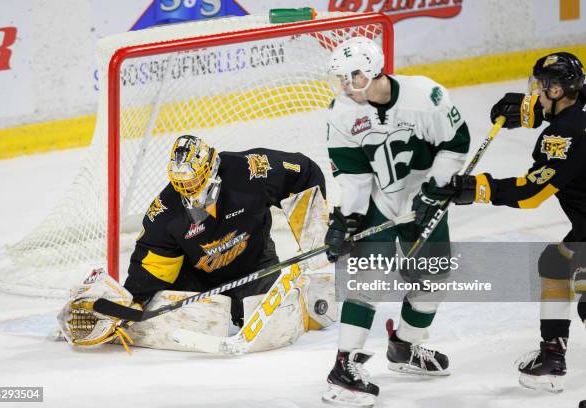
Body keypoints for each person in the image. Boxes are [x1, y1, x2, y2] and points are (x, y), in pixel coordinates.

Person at [58, 135, 335, 352]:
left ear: (212, 166)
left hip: (256, 267)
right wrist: (136, 301)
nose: (190, 190)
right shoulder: (165, 212)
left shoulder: (250, 171)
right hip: (198, 283)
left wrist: (315, 238)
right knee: (206, 320)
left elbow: (303, 173)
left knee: (299, 317)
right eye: (183, 184)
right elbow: (153, 263)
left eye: (195, 180)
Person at [321, 36, 471, 406]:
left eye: (352, 78)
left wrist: (435, 191)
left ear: (372, 71)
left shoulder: (426, 95)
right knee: (367, 278)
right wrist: (347, 221)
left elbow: (457, 143)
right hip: (383, 201)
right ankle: (344, 367)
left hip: (425, 201)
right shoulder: (342, 112)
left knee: (435, 277)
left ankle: (405, 346)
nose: (345, 87)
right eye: (340, 79)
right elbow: (354, 178)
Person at [448, 52, 586, 393]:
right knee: (555, 262)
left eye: (541, 88)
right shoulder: (577, 107)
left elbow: (530, 194)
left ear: (556, 91)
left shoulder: (564, 136)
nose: (536, 92)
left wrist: (477, 188)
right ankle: (552, 355)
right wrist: (527, 111)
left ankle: (553, 356)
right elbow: (559, 110)